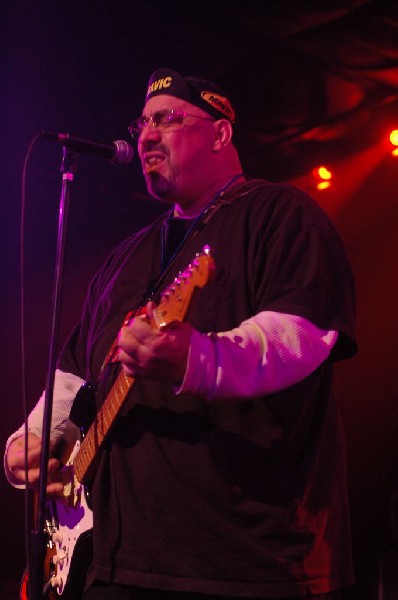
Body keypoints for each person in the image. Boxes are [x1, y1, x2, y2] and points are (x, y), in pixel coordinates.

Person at [5, 67, 357, 600]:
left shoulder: (279, 214)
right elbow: (76, 373)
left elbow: (302, 334)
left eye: (166, 119)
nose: (145, 134)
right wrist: (31, 440)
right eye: (142, 122)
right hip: (114, 563)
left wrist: (199, 359)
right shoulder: (125, 257)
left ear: (220, 133)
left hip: (240, 562)